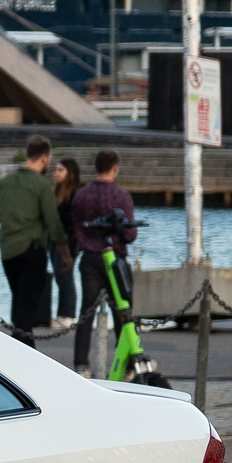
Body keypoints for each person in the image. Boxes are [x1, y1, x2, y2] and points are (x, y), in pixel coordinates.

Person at [70, 149, 137, 375]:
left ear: (96, 167)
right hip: (115, 258)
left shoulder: (81, 195)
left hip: (88, 258)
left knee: (85, 312)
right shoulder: (122, 197)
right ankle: (127, 365)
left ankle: (81, 364)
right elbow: (130, 234)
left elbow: (75, 226)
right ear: (115, 169)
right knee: (123, 311)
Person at [0, 135, 64, 338]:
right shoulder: (41, 185)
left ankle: (20, 349)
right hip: (32, 252)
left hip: (8, 254)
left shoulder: (4, 183)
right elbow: (54, 224)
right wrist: (65, 254)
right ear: (44, 158)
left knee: (19, 302)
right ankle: (22, 354)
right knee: (27, 307)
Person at [51, 156, 84, 329]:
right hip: (56, 240)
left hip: (69, 240)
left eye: (60, 170)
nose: (56, 173)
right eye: (56, 169)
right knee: (60, 276)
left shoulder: (75, 193)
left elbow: (72, 219)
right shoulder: (58, 192)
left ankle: (67, 314)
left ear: (70, 173)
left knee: (65, 276)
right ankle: (62, 313)